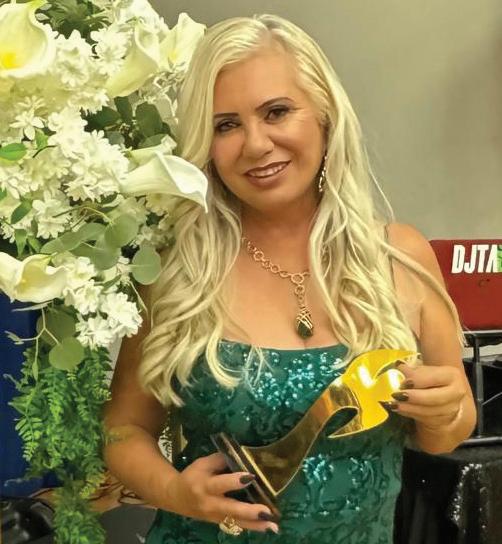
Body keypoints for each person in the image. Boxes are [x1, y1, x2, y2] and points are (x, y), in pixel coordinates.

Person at [103, 14, 476, 543]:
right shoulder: (175, 268)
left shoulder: (399, 256)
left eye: (276, 112)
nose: (255, 144)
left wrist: (446, 409)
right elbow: (123, 428)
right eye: (225, 125)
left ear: (324, 114)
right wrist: (174, 492)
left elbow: (445, 436)